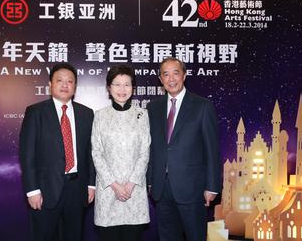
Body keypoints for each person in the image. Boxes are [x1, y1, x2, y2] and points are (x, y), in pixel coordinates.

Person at [146, 57, 222, 241]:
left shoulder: (202, 106)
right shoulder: (152, 108)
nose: (171, 79)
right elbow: (151, 148)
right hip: (161, 189)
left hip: (193, 189)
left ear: (184, 75)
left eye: (176, 73)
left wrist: (212, 186)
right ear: (160, 78)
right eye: (166, 74)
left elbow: (212, 150)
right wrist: (150, 181)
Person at [19, 63, 95, 241]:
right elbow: (27, 154)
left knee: (74, 236)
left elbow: (91, 153)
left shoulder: (86, 114)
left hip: (77, 189)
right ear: (50, 85)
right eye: (59, 80)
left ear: (75, 86)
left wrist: (91, 184)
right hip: (45, 190)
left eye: (70, 81)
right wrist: (32, 190)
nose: (65, 85)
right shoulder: (35, 112)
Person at [91, 65, 151, 241]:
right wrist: (115, 186)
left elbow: (144, 152)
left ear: (133, 88)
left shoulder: (143, 114)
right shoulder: (100, 116)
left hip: (135, 191)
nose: (122, 90)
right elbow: (97, 152)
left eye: (127, 84)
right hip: (108, 190)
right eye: (117, 84)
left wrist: (131, 184)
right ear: (109, 88)